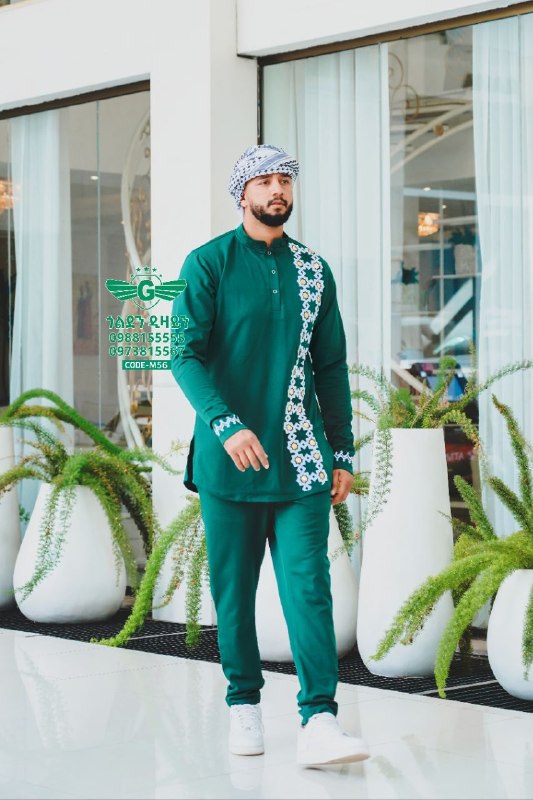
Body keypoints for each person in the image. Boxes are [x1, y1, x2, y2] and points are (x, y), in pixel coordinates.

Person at [171, 144, 369, 767]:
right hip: (230, 461)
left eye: (285, 179)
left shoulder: (312, 269)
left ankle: (320, 719)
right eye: (264, 181)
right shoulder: (208, 263)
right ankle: (244, 705)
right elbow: (184, 354)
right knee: (234, 593)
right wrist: (225, 424)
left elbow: (330, 365)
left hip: (302, 457)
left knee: (310, 589)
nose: (277, 189)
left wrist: (342, 450)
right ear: (243, 194)